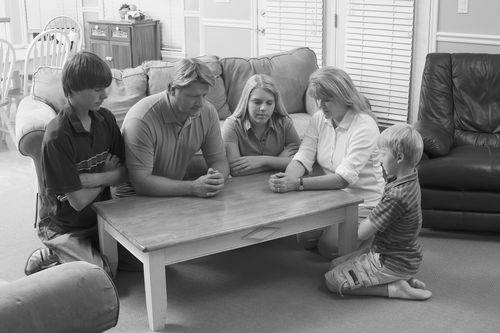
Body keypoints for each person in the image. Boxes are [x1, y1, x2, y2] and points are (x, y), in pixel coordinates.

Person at [24, 51, 127, 276]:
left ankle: (73, 254)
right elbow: (78, 202)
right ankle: (53, 252)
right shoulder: (57, 135)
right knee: (101, 275)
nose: (105, 95)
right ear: (73, 89)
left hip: (101, 216)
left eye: (105, 88)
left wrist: (95, 178)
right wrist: (107, 175)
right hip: (64, 226)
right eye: (98, 90)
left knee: (139, 257)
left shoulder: (106, 119)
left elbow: (123, 173)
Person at [268, 66, 385, 259]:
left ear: (345, 96)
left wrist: (297, 185)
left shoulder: (365, 125)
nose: (321, 105)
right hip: (332, 197)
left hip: (364, 201)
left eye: (328, 99)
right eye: (318, 99)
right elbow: (303, 156)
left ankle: (378, 231)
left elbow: (342, 180)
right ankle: (341, 230)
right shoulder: (319, 119)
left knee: (328, 248)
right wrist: (286, 180)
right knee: (304, 240)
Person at [324, 123, 432, 300]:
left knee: (332, 281)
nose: (380, 160)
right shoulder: (410, 177)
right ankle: (402, 278)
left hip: (390, 260)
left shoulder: (397, 195)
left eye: (382, 154)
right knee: (334, 264)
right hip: (401, 253)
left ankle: (395, 288)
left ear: (398, 157)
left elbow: (361, 233)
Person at [117, 57, 229, 198]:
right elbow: (141, 183)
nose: (201, 103)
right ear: (172, 90)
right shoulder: (141, 120)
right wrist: (192, 187)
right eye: (193, 96)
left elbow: (219, 160)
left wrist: (217, 179)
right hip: (133, 198)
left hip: (176, 193)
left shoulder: (208, 111)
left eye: (204, 95)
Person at [222, 74, 301, 176]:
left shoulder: (284, 122)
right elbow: (236, 171)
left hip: (278, 182)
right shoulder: (232, 125)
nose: (263, 108)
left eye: (269, 103)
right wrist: (279, 161)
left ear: (275, 104)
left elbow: (301, 160)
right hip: (245, 187)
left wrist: (262, 160)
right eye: (257, 102)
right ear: (246, 101)